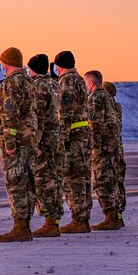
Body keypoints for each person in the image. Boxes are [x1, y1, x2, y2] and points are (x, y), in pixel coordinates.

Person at [0, 47, 39, 243]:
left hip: (17, 142)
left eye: (3, 61)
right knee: (27, 182)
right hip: (28, 140)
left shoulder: (12, 84)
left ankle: (20, 226)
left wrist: (9, 141)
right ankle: (25, 225)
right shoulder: (29, 82)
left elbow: (10, 115)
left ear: (7, 63)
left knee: (15, 183)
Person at [54, 51, 93, 233]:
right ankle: (83, 218)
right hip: (83, 136)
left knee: (73, 178)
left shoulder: (67, 81)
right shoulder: (78, 79)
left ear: (60, 66)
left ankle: (79, 219)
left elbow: (65, 112)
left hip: (74, 138)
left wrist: (62, 139)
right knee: (83, 177)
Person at [26, 53, 65, 238]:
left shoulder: (39, 86)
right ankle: (54, 221)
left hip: (45, 140)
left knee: (44, 180)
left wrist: (35, 142)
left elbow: (38, 117)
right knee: (56, 179)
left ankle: (50, 222)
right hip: (57, 138)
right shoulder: (54, 84)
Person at [85, 69, 123, 230]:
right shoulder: (108, 98)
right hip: (111, 146)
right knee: (112, 180)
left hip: (101, 147)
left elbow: (95, 124)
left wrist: (92, 144)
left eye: (86, 82)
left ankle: (111, 216)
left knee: (101, 181)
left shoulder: (95, 98)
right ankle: (115, 215)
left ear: (91, 83)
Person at [104, 82, 127, 225]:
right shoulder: (117, 106)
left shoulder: (109, 106)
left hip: (110, 148)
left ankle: (113, 216)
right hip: (118, 148)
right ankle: (118, 215)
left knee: (109, 181)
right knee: (118, 181)